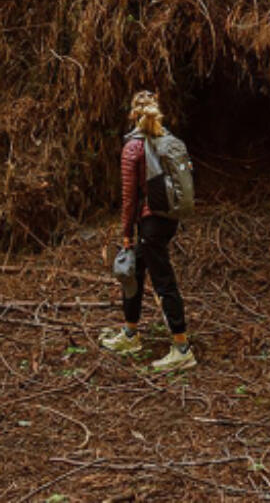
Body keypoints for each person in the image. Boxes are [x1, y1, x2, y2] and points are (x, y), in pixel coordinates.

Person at [99, 89, 196, 372]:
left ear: (133, 114)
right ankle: (131, 334)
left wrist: (126, 233)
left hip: (149, 223)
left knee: (163, 281)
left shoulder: (134, 148)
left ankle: (182, 349)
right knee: (135, 273)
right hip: (167, 219)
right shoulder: (166, 140)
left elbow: (129, 197)